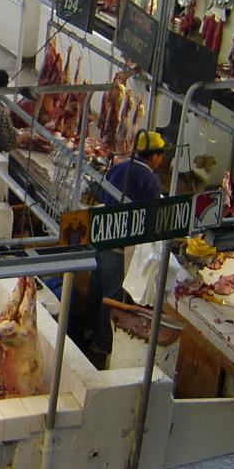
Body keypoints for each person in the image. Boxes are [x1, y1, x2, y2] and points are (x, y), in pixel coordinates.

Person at [84, 131, 170, 357]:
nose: (161, 160)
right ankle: (102, 344)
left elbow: (102, 194)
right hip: (120, 247)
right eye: (161, 155)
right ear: (154, 155)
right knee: (112, 298)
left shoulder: (119, 167)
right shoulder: (150, 179)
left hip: (103, 238)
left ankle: (87, 330)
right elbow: (153, 219)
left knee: (96, 288)